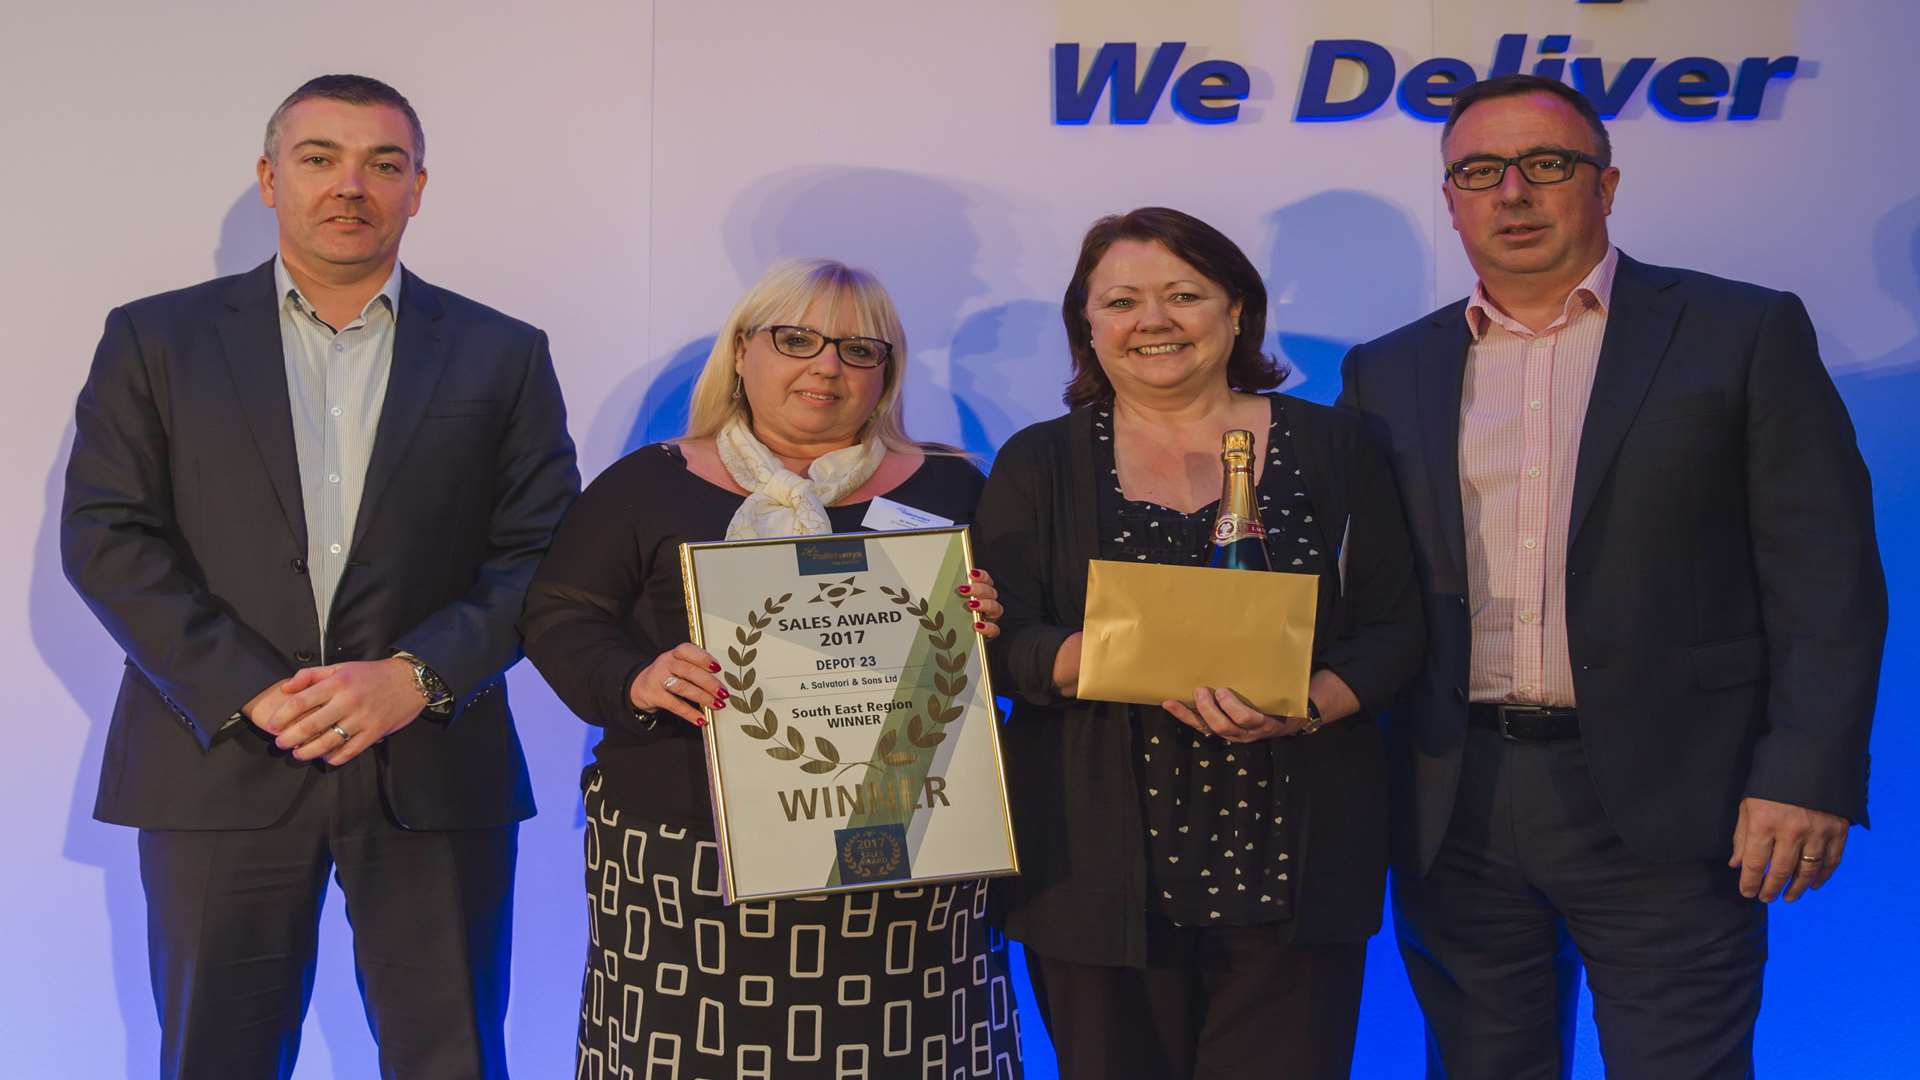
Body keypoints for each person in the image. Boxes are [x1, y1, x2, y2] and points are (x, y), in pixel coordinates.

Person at [1338, 74, 1887, 1078]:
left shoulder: (1739, 333)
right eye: (1479, 172)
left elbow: (1827, 576)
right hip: (1454, 798)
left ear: (1606, 184)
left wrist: (1806, 774)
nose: (1513, 193)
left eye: (1546, 166)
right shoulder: (1388, 370)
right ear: (1452, 199)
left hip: (1678, 797)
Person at [59, 74, 579, 1079]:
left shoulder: (501, 354)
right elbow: (107, 537)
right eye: (320, 158)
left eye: (384, 164)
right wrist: (249, 687)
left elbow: (542, 552)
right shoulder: (154, 339)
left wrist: (414, 676)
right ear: (268, 177)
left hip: (430, 765)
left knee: (452, 1059)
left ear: (419, 187)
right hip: (216, 763)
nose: (353, 186)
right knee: (215, 1057)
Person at [520, 258, 1023, 1079]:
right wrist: (636, 679)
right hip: (688, 856)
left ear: (886, 374)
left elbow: (1008, 653)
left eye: (859, 350)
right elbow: (558, 614)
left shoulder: (954, 488)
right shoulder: (651, 482)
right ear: (743, 353)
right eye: (796, 340)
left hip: (907, 855)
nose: (826, 365)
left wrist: (992, 627)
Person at [973, 207, 1424, 1080]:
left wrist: (1303, 708)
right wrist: (1122, 661)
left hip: (1296, 854)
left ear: (1238, 313)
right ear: (1087, 324)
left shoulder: (1337, 446)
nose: (1154, 322)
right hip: (1092, 865)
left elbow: (1397, 631)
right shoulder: (1038, 462)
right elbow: (996, 645)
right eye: (1122, 301)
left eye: (1185, 295)